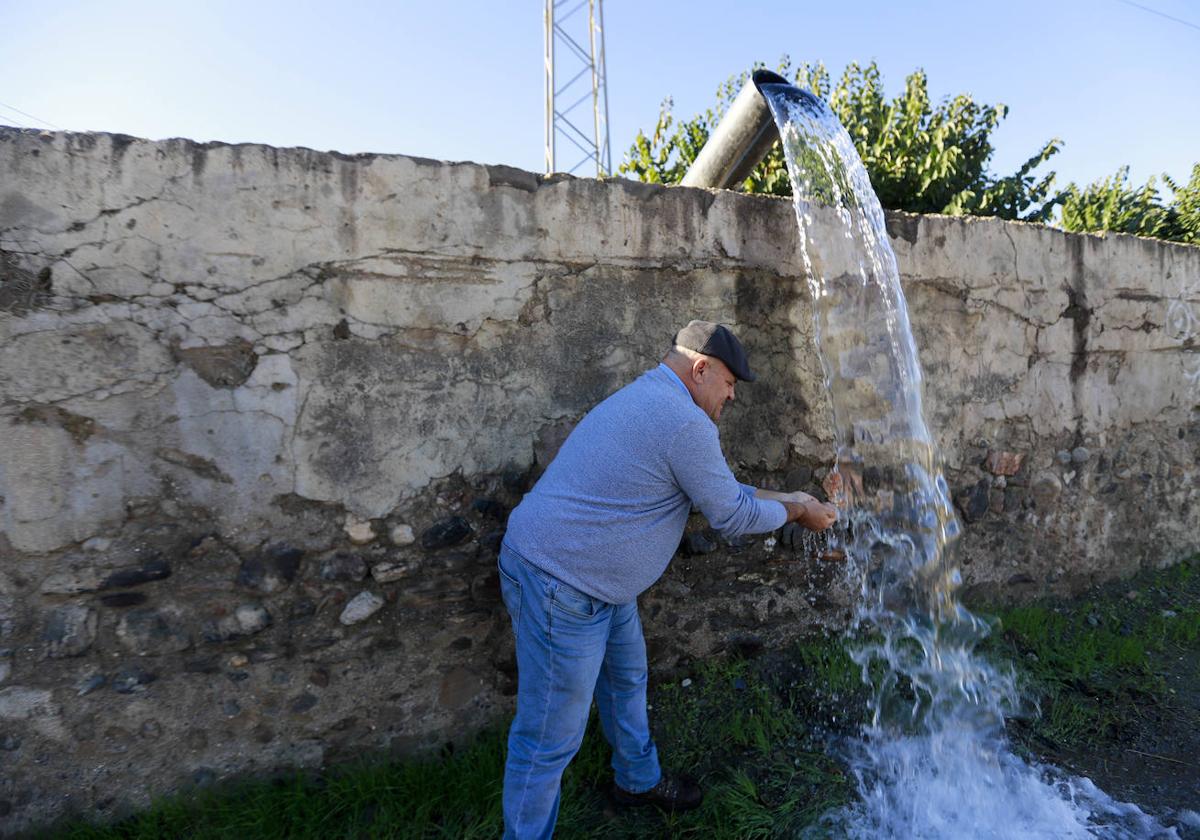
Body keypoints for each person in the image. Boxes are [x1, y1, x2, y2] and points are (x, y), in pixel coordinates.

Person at [497, 320, 838, 839]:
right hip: (560, 583)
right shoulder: (683, 422)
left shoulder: (656, 398)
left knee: (627, 682)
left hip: (598, 585)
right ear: (701, 369)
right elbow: (732, 516)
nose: (731, 397)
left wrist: (796, 501)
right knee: (548, 736)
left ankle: (636, 781)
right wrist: (797, 515)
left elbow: (724, 490)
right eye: (729, 384)